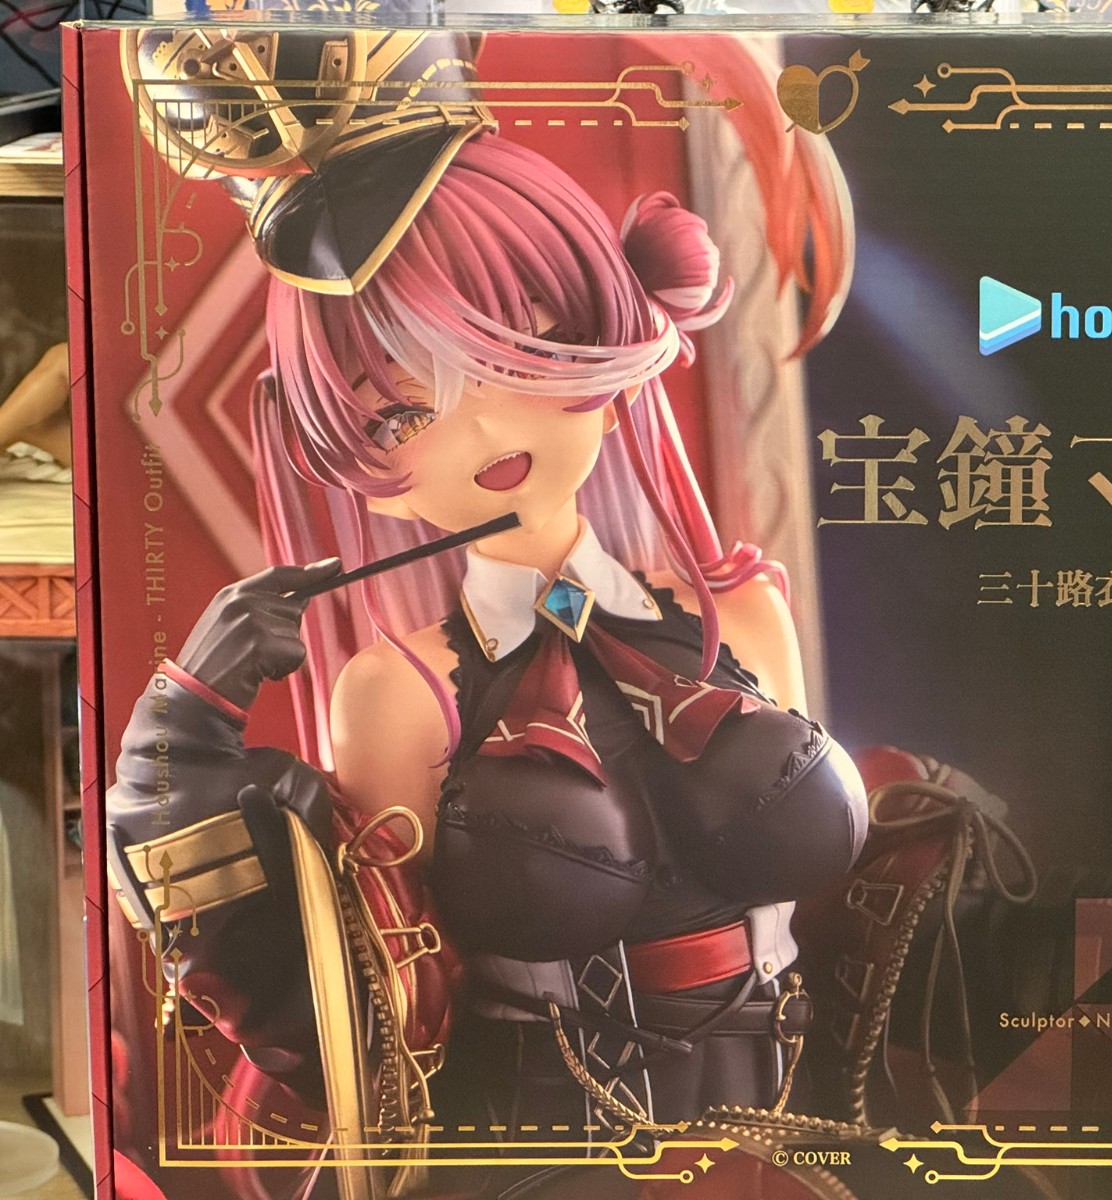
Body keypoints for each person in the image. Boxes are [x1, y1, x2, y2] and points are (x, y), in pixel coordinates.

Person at [104, 27, 867, 1169]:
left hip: (793, 1131)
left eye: (524, 350)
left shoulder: (743, 615)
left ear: (620, 320)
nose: (488, 429)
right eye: (402, 413)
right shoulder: (398, 692)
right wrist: (180, 736)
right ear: (347, 455)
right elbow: (360, 1005)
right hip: (543, 1161)